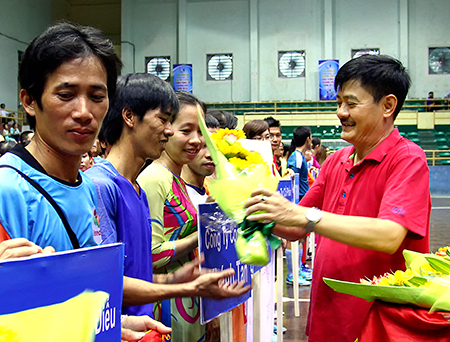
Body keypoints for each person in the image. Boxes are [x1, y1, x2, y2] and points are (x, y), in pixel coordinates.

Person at [244, 54, 431, 342]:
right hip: (329, 317)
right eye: (339, 102)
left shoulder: (407, 159)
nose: (340, 112)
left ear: (388, 105)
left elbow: (390, 235)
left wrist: (307, 218)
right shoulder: (337, 161)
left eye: (351, 103)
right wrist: (252, 210)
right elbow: (294, 226)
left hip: (378, 324)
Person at [0, 22, 169, 339]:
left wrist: (113, 324)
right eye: (66, 95)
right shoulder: (7, 191)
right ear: (29, 101)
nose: (84, 111)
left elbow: (73, 301)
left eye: (97, 96)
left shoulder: (86, 187)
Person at [86, 74, 249, 323]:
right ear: (129, 117)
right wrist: (179, 287)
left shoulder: (136, 188)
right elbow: (104, 282)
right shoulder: (101, 186)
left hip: (146, 324)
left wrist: (173, 280)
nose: (169, 130)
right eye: (163, 120)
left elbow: (137, 273)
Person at [137, 91, 208, 341]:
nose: (197, 141)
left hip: (188, 300)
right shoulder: (155, 178)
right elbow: (152, 254)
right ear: (166, 129)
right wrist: (201, 235)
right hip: (167, 306)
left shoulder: (175, 179)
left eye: (201, 132)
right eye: (186, 130)